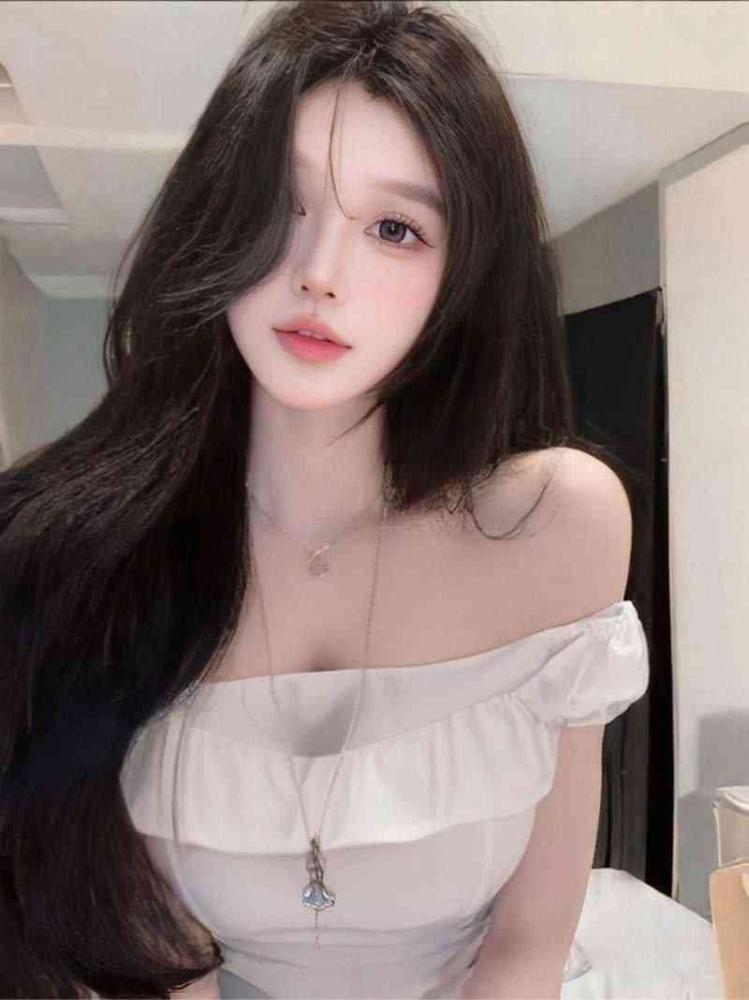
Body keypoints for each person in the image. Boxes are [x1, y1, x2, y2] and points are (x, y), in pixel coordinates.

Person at [0, 2, 649, 998]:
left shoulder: (557, 527)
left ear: (464, 274)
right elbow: (137, 948)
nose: (317, 275)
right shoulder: (97, 555)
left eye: (394, 228)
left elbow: (527, 944)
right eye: (281, 202)